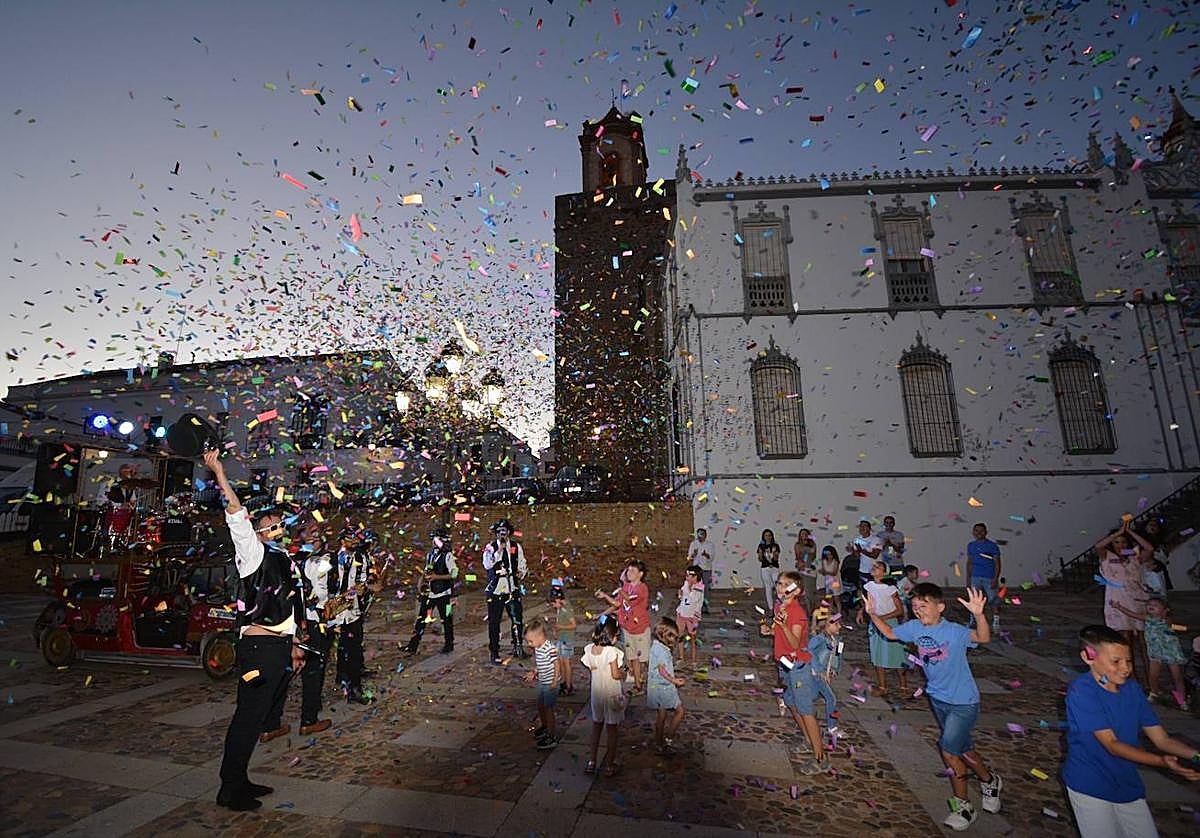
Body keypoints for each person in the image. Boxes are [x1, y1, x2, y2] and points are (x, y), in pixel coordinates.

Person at [203, 449, 306, 813]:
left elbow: (288, 608)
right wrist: (218, 471)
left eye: (282, 526)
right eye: (274, 526)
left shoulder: (282, 558)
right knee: (248, 716)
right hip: (257, 653)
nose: (281, 530)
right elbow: (236, 515)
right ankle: (229, 789)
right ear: (259, 532)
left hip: (277, 650)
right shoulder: (253, 553)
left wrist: (294, 646)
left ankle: (240, 778)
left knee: (259, 715)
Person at [867, 583, 1003, 831]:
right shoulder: (914, 628)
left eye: (924, 606)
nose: (918, 611)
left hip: (963, 701)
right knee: (964, 749)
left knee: (949, 751)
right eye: (915, 606)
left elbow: (983, 637)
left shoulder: (953, 631)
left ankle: (963, 806)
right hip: (937, 699)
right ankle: (990, 780)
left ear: (940, 607)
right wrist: (872, 613)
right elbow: (889, 633)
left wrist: (979, 614)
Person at [1063, 625, 1200, 837]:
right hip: (1090, 784)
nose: (1125, 668)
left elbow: (1161, 739)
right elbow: (1112, 745)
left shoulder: (1132, 690)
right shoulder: (1082, 692)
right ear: (1088, 657)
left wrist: (1196, 755)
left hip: (1126, 783)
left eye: (1128, 660)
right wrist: (1162, 762)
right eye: (1116, 661)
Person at [773, 570, 826, 774]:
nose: (781, 588)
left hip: (799, 667)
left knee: (805, 710)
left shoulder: (797, 613)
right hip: (785, 664)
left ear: (798, 591)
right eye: (779, 583)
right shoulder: (780, 606)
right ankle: (807, 740)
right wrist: (771, 630)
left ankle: (821, 759)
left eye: (787, 585)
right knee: (792, 703)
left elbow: (795, 643)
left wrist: (783, 625)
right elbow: (778, 630)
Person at [1097, 522, 1153, 682]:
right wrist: (1117, 533)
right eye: (1116, 542)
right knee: (1126, 643)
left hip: (1137, 599)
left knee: (1144, 641)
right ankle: (1133, 678)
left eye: (1123, 541)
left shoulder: (1133, 555)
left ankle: (1151, 678)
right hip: (1117, 601)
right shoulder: (1107, 556)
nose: (1120, 545)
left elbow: (1149, 549)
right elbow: (1098, 546)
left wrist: (1130, 532)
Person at [1113, 597, 1190, 711]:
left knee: (1177, 677)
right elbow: (1132, 614)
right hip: (1155, 653)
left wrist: (1179, 627)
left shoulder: (1166, 620)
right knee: (1153, 675)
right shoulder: (1147, 618)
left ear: (1165, 610)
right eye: (1149, 604)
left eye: (1155, 605)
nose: (1151, 606)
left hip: (1171, 652)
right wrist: (1119, 607)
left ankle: (1181, 700)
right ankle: (1154, 692)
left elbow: (1181, 628)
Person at [295, 527, 333, 736]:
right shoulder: (317, 561)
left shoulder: (290, 558)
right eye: (312, 536)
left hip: (294, 622)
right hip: (311, 622)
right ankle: (308, 720)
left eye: (318, 536)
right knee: (313, 670)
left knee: (289, 672)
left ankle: (270, 725)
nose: (315, 539)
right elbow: (319, 592)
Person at [595, 559, 651, 693]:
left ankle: (653, 677)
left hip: (640, 629)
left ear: (640, 574)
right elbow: (617, 604)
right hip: (628, 628)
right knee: (633, 658)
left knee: (644, 659)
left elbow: (630, 601)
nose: (629, 572)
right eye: (628, 570)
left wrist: (620, 590)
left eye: (633, 570)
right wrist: (604, 602)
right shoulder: (626, 587)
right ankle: (638, 685)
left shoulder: (642, 588)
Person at [328, 529, 370, 704]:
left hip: (352, 612)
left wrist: (363, 588)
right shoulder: (329, 559)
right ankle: (339, 677)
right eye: (350, 538)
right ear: (341, 540)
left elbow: (363, 580)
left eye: (355, 539)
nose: (354, 542)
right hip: (332, 612)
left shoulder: (361, 558)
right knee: (330, 649)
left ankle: (354, 689)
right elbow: (322, 584)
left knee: (353, 649)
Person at [581, 618, 626, 777]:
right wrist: (624, 674)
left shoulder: (589, 650)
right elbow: (615, 674)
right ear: (611, 636)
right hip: (611, 694)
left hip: (596, 693)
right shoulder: (611, 652)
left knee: (596, 727)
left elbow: (591, 667)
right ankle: (609, 765)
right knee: (612, 730)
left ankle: (591, 762)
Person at [403, 526, 458, 656]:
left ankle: (449, 645)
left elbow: (454, 573)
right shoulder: (430, 554)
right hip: (429, 593)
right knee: (421, 619)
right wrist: (421, 581)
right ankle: (412, 645)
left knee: (447, 620)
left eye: (437, 539)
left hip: (444, 594)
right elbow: (427, 569)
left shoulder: (448, 555)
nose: (434, 541)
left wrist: (436, 577)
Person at [484, 519, 528, 664]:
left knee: (517, 619)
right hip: (496, 590)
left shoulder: (516, 546)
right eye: (499, 531)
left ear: (509, 532)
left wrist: (522, 572)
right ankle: (494, 652)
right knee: (494, 622)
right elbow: (487, 564)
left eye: (504, 530)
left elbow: (521, 562)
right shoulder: (490, 547)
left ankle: (517, 646)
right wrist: (500, 550)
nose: (502, 533)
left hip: (512, 587)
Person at [862, 559, 908, 697]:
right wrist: (862, 612)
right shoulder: (868, 586)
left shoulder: (890, 589)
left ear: (884, 573)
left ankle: (904, 686)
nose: (874, 568)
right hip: (875, 622)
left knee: (897, 654)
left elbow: (900, 610)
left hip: (890, 622)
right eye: (874, 566)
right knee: (877, 654)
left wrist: (882, 618)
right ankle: (882, 686)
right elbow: (870, 603)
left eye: (878, 567)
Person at [647, 617, 687, 755]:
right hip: (664, 687)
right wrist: (675, 681)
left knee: (661, 716)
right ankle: (668, 739)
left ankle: (659, 742)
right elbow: (662, 670)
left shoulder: (656, 646)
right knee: (680, 711)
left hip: (656, 686)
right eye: (674, 638)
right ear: (666, 637)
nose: (675, 641)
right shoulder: (662, 651)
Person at [523, 618, 559, 750]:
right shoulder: (538, 647)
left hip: (550, 683)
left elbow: (556, 665)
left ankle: (551, 735)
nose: (529, 644)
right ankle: (544, 726)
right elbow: (541, 664)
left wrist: (555, 681)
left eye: (531, 641)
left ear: (540, 636)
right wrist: (534, 672)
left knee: (549, 709)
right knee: (541, 705)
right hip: (543, 681)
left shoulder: (550, 648)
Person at [808, 613, 844, 737]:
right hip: (816, 674)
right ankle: (832, 727)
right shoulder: (818, 639)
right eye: (837, 624)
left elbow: (838, 656)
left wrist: (835, 669)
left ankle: (788, 699)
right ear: (827, 625)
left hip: (824, 674)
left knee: (811, 696)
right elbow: (809, 652)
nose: (840, 627)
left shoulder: (838, 640)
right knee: (831, 698)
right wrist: (819, 670)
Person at [965, 523, 1001, 627]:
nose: (979, 533)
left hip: (989, 577)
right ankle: (973, 620)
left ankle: (996, 621)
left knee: (993, 600)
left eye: (981, 531)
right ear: (973, 532)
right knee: (974, 600)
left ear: (986, 532)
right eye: (976, 530)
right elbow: (969, 562)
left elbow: (997, 563)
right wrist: (968, 578)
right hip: (975, 577)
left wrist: (995, 578)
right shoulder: (971, 545)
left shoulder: (992, 546)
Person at [847, 520, 882, 624]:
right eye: (860, 527)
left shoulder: (876, 539)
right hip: (863, 570)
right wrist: (853, 551)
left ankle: (880, 615)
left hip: (876, 571)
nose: (862, 529)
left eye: (864, 526)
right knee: (866, 594)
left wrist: (861, 550)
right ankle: (868, 615)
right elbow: (857, 556)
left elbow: (875, 555)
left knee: (876, 593)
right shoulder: (858, 540)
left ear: (869, 528)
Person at [674, 565, 705, 667]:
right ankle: (681, 657)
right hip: (682, 613)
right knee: (680, 635)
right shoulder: (686, 583)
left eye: (689, 576)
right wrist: (680, 594)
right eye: (687, 575)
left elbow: (693, 599)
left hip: (692, 616)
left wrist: (689, 589)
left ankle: (694, 659)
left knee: (693, 637)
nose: (687, 578)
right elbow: (683, 597)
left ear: (696, 577)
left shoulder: (700, 587)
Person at [550, 583, 577, 695]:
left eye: (553, 604)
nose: (553, 606)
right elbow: (559, 621)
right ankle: (564, 682)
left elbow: (573, 625)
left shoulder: (567, 609)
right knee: (561, 662)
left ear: (558, 600)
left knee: (566, 663)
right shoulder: (560, 608)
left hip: (567, 639)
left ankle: (569, 686)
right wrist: (556, 631)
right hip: (561, 638)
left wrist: (560, 627)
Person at [687, 527, 715, 614]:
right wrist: (693, 554)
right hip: (696, 570)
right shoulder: (693, 544)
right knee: (695, 588)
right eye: (699, 534)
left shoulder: (710, 545)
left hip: (706, 569)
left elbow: (712, 558)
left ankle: (705, 606)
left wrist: (706, 555)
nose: (700, 536)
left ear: (705, 535)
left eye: (702, 534)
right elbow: (689, 557)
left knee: (705, 588)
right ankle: (694, 606)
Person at [794, 528, 818, 610]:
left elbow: (814, 555)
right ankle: (808, 611)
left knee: (811, 591)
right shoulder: (798, 545)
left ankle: (813, 609)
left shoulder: (812, 544)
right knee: (805, 592)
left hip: (811, 569)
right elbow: (798, 556)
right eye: (802, 534)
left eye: (805, 534)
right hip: (803, 569)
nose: (804, 535)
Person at [758, 529, 781, 613]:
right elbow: (760, 559)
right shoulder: (761, 546)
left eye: (769, 535)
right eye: (766, 535)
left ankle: (780, 606)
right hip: (765, 568)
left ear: (772, 536)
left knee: (777, 585)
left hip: (774, 568)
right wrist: (760, 553)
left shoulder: (775, 545)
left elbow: (776, 558)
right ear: (763, 537)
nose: (768, 537)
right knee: (768, 587)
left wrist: (774, 553)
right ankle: (771, 608)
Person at [818, 546, 842, 617]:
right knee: (829, 598)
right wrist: (822, 572)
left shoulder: (835, 561)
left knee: (836, 598)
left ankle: (839, 613)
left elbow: (834, 572)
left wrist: (825, 572)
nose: (829, 556)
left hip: (835, 582)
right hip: (828, 582)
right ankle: (830, 613)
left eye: (830, 554)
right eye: (827, 554)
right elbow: (823, 571)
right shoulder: (824, 561)